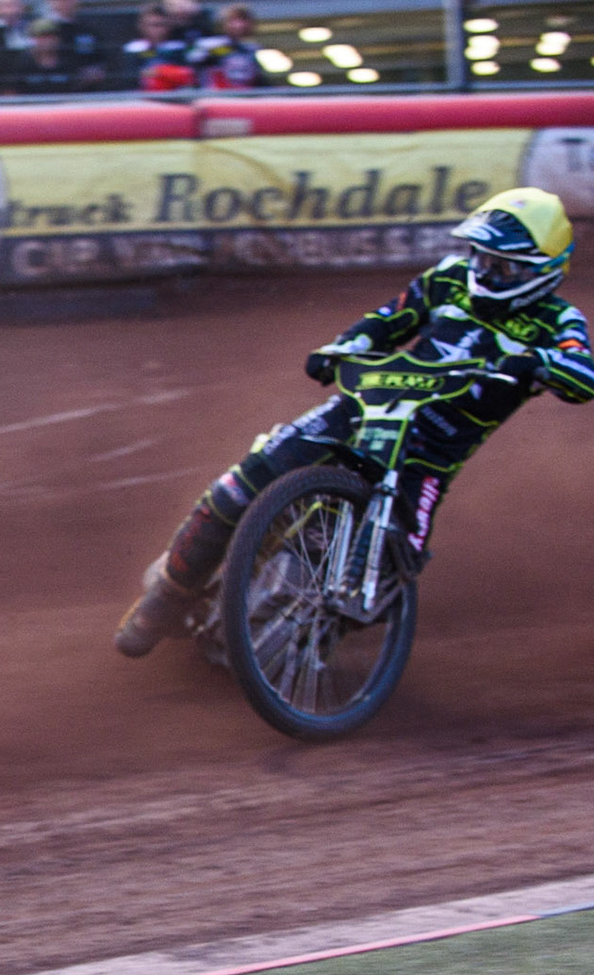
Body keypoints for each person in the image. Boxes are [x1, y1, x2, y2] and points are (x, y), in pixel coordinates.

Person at [114, 188, 594, 658]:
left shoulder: (559, 322)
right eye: (480, 256)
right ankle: (166, 597)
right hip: (361, 411)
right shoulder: (447, 278)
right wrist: (342, 349)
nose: (484, 271)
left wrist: (543, 365)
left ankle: (301, 634)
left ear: (542, 269)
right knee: (236, 491)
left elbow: (584, 375)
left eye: (501, 265)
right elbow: (384, 322)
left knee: (389, 562)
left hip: (427, 455)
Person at [189, 3, 268, 89]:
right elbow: (193, 65)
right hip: (215, 97)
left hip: (247, 96)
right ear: (224, 23)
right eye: (234, 20)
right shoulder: (209, 45)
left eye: (243, 20)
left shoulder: (253, 49)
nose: (239, 25)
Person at [122, 4, 196, 91]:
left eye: (161, 25)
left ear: (169, 26)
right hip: (141, 92)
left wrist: (161, 72)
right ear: (142, 26)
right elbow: (129, 75)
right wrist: (161, 72)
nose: (157, 29)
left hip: (175, 91)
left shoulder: (178, 47)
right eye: (153, 25)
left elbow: (188, 73)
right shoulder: (133, 49)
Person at [43, 0, 108, 86]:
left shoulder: (88, 28)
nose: (67, 3)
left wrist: (96, 70)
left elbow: (100, 56)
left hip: (87, 87)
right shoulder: (45, 29)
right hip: (55, 84)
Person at [12, 18, 80, 92]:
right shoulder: (23, 63)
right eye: (42, 36)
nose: (47, 41)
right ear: (32, 39)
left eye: (51, 36)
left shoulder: (69, 62)